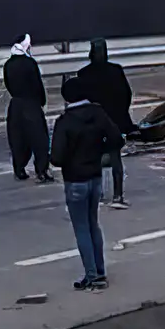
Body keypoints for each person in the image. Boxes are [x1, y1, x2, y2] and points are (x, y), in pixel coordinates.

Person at [50, 77, 123, 290]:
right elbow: (117, 139)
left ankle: (92, 275)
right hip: (95, 176)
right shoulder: (98, 113)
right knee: (93, 224)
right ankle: (100, 270)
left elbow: (57, 158)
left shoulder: (65, 122)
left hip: (75, 179)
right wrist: (99, 151)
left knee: (81, 227)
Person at [76, 38, 133, 209]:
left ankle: (98, 194)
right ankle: (117, 196)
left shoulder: (83, 73)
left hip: (93, 122)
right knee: (115, 158)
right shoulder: (116, 70)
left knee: (95, 158)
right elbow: (126, 94)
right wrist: (121, 114)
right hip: (114, 121)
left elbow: (81, 99)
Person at [4, 34, 53, 182]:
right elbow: (37, 84)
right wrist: (42, 101)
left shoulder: (8, 64)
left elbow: (8, 84)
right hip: (31, 104)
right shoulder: (30, 63)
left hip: (16, 105)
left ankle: (19, 169)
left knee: (18, 139)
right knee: (39, 139)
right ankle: (42, 170)